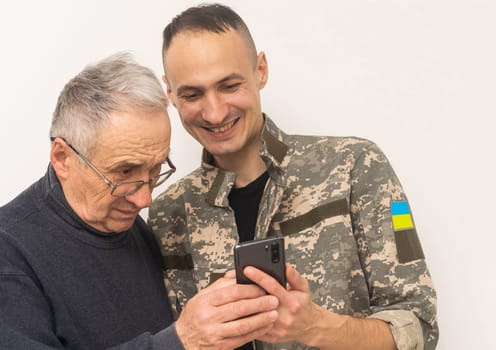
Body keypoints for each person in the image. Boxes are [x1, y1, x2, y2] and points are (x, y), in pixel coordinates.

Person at [149, 3, 439, 350]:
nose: (214, 112)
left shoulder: (356, 167)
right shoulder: (168, 213)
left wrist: (316, 326)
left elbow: (418, 326)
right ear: (170, 93)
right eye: (192, 94)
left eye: (229, 86)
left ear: (260, 70)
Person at [0, 52, 280, 350]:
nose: (144, 199)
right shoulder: (10, 251)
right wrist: (181, 341)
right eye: (124, 172)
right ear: (62, 158)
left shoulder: (128, 224)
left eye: (156, 168)